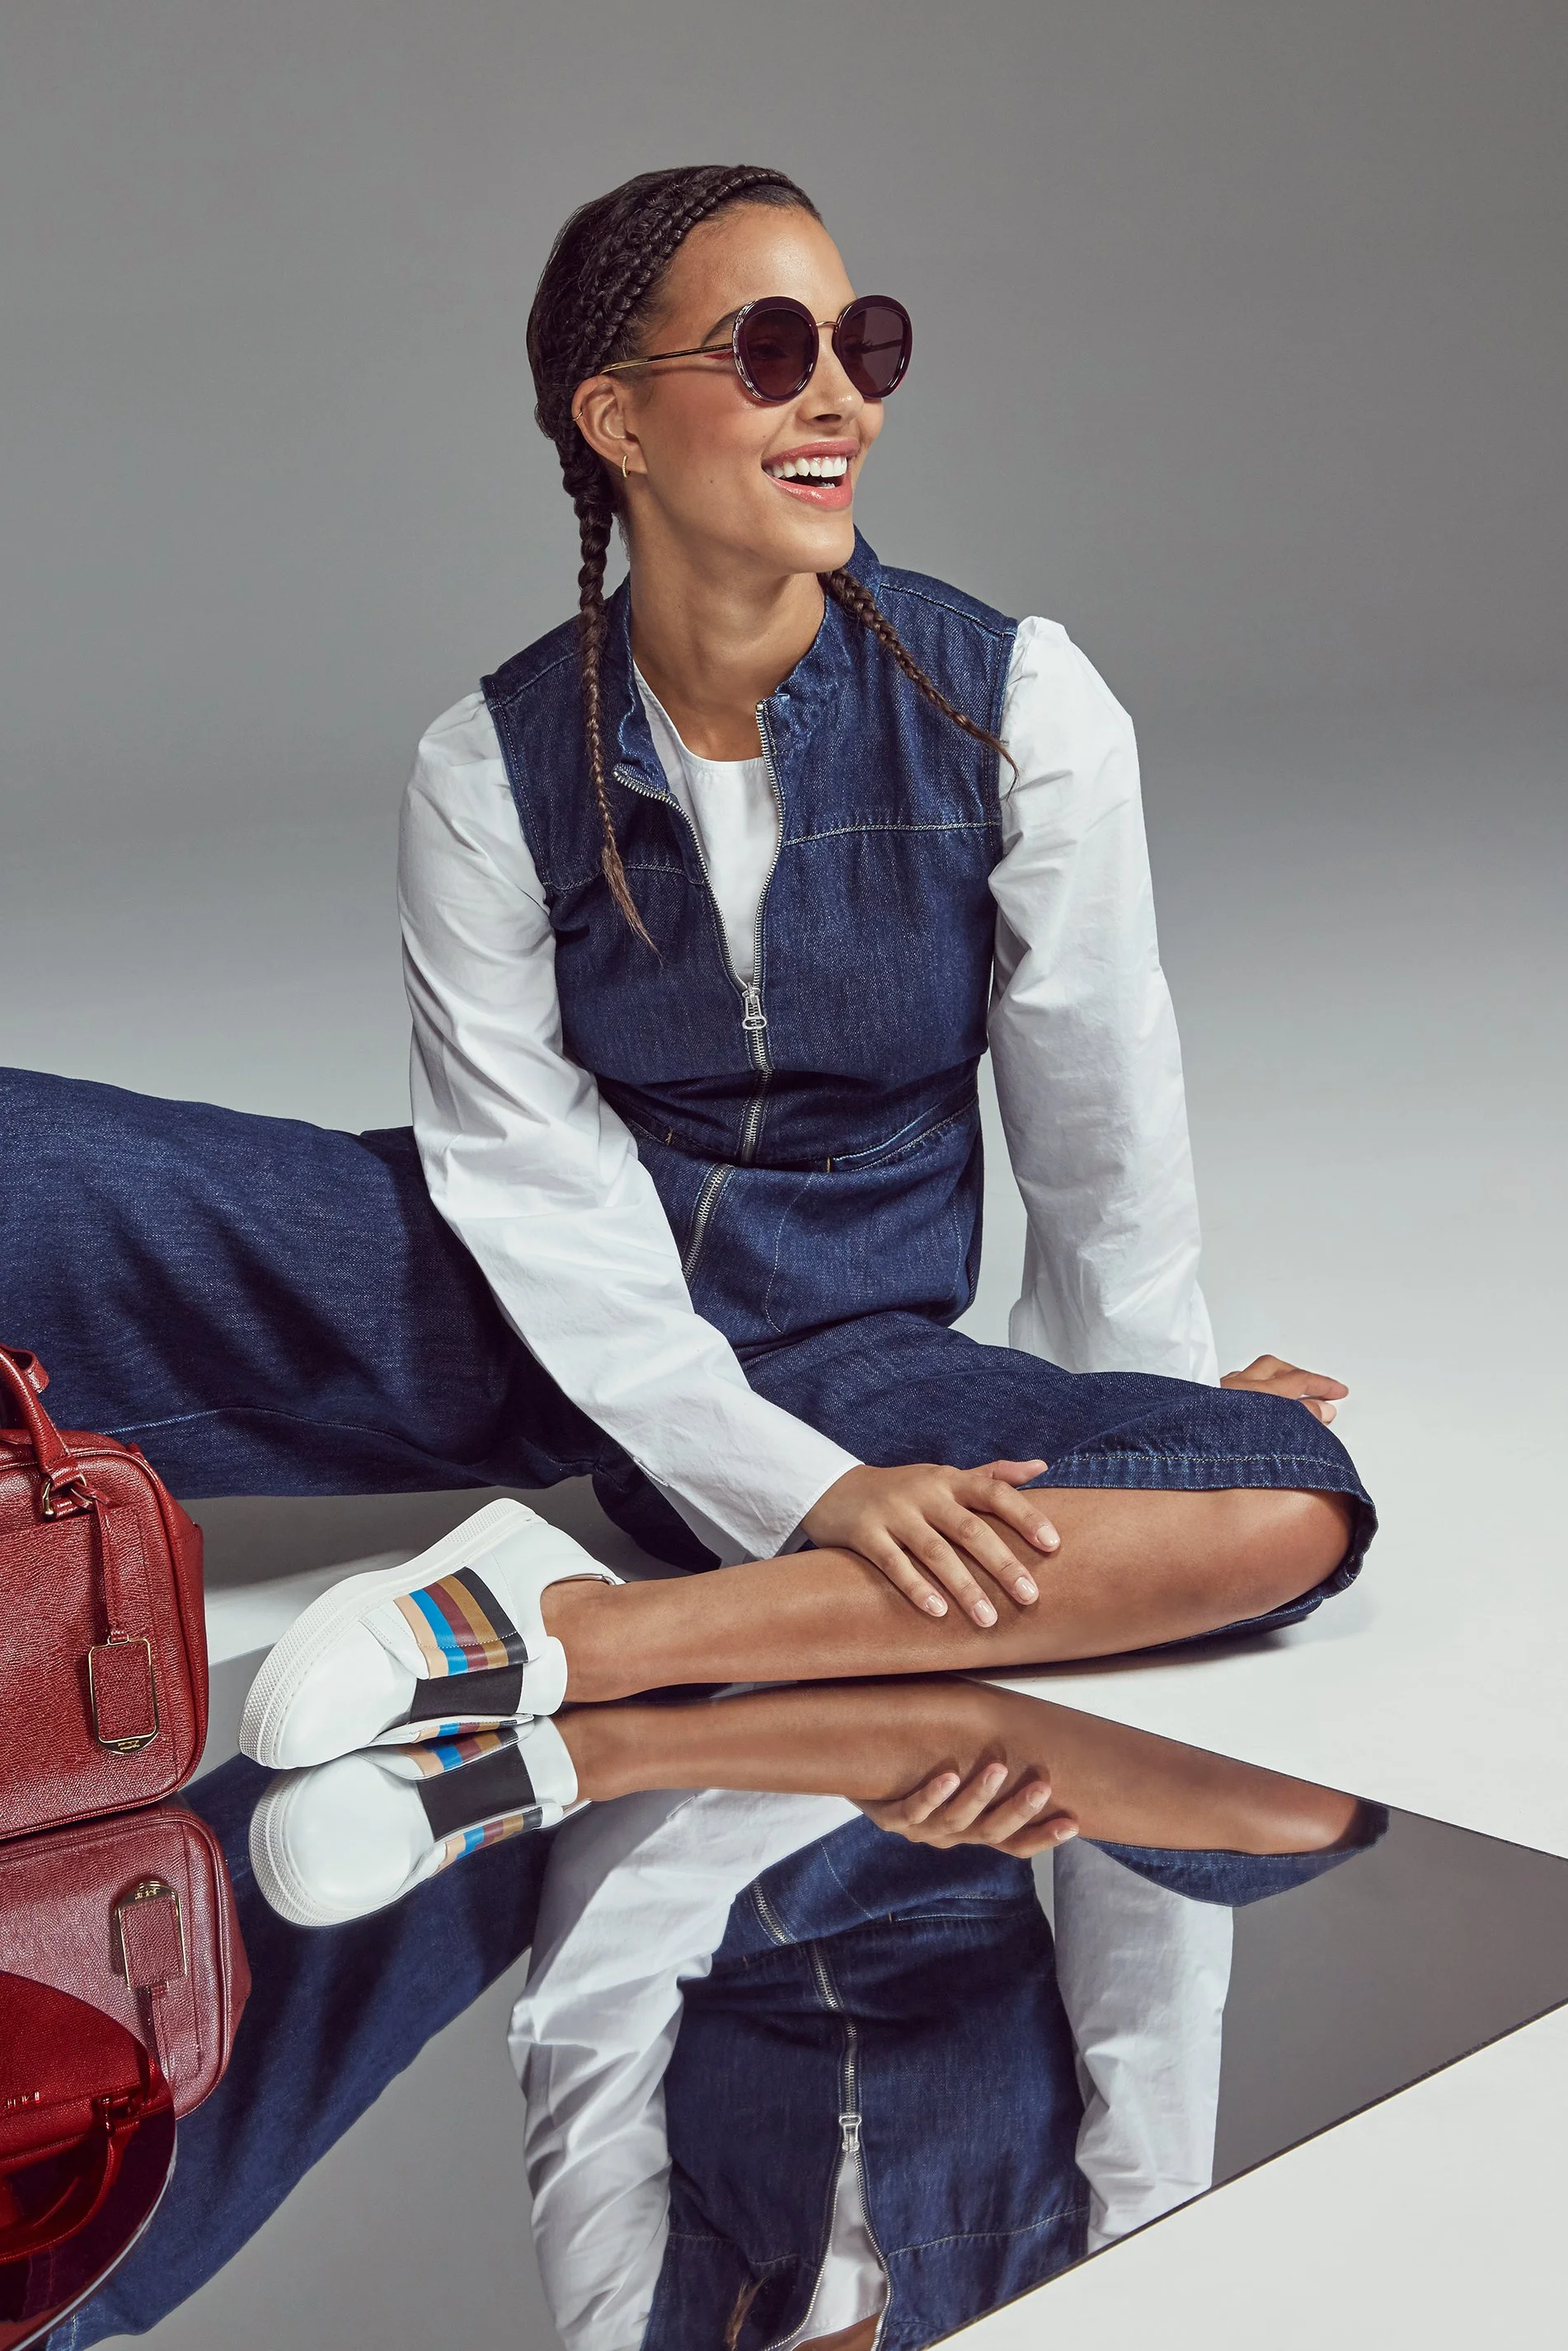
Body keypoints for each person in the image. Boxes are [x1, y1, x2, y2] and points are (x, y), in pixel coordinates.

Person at [0, 162, 1373, 1701]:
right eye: (773, 351)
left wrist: (1135, 1417)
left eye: (866, 345)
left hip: (834, 1348)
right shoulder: (489, 762)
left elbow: (1097, 1111)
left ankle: (553, 1637)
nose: (841, 400)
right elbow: (520, 1174)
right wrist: (785, 1491)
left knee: (1277, 1499)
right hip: (506, 1289)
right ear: (617, 420)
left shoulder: (1019, 709)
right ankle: (737, 1573)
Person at [47, 1679, 1385, 2351]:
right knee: (1288, 1821)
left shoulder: (643, 2333)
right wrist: (1095, 1738)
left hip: (671, 1847)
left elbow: (589, 2014)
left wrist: (813, 1769)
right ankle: (1158, 1445)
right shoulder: (1096, 2302)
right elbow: (1145, 1981)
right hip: (993, 1788)